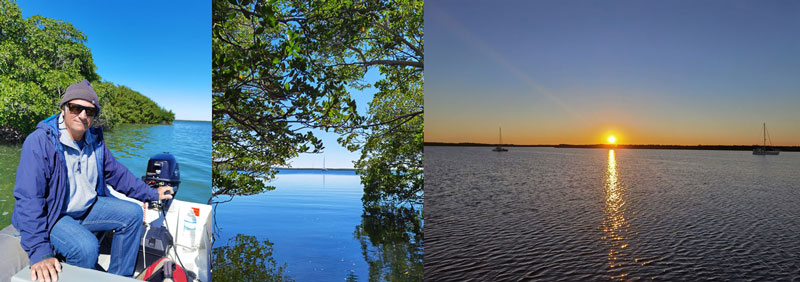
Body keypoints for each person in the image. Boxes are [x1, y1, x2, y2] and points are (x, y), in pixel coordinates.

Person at [12, 80, 173, 282]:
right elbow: (29, 198)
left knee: (132, 214)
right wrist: (40, 252)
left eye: (89, 111)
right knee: (86, 247)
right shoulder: (40, 142)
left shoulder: (94, 140)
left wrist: (151, 194)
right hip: (53, 214)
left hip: (85, 208)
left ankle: (118, 278)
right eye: (76, 108)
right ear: (63, 108)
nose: (82, 115)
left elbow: (117, 174)